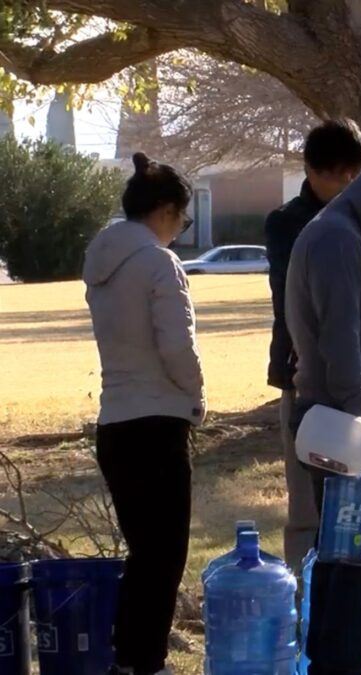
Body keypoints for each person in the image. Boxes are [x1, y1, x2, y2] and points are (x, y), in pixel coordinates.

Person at [266, 119, 361, 650]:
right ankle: (341, 657)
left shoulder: (349, 235)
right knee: (354, 557)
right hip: (346, 423)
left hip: (350, 417)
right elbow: (339, 336)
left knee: (349, 556)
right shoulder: (336, 239)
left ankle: (335, 650)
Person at [84, 153, 205, 675]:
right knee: (165, 554)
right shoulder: (159, 263)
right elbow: (176, 345)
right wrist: (196, 394)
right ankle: (147, 662)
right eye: (182, 219)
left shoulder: (101, 263)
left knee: (144, 553)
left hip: (115, 421)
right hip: (157, 421)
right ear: (165, 210)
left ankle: (129, 660)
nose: (180, 230)